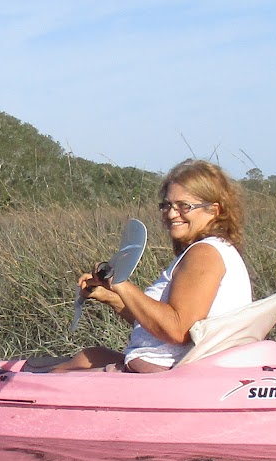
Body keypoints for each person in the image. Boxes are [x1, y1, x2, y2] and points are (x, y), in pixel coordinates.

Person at [38, 158, 253, 373]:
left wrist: (121, 284)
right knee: (90, 356)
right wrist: (109, 296)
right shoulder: (211, 250)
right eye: (167, 205)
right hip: (162, 369)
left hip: (166, 379)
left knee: (60, 375)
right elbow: (154, 324)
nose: (171, 214)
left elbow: (178, 330)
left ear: (213, 210)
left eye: (184, 206)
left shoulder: (204, 254)